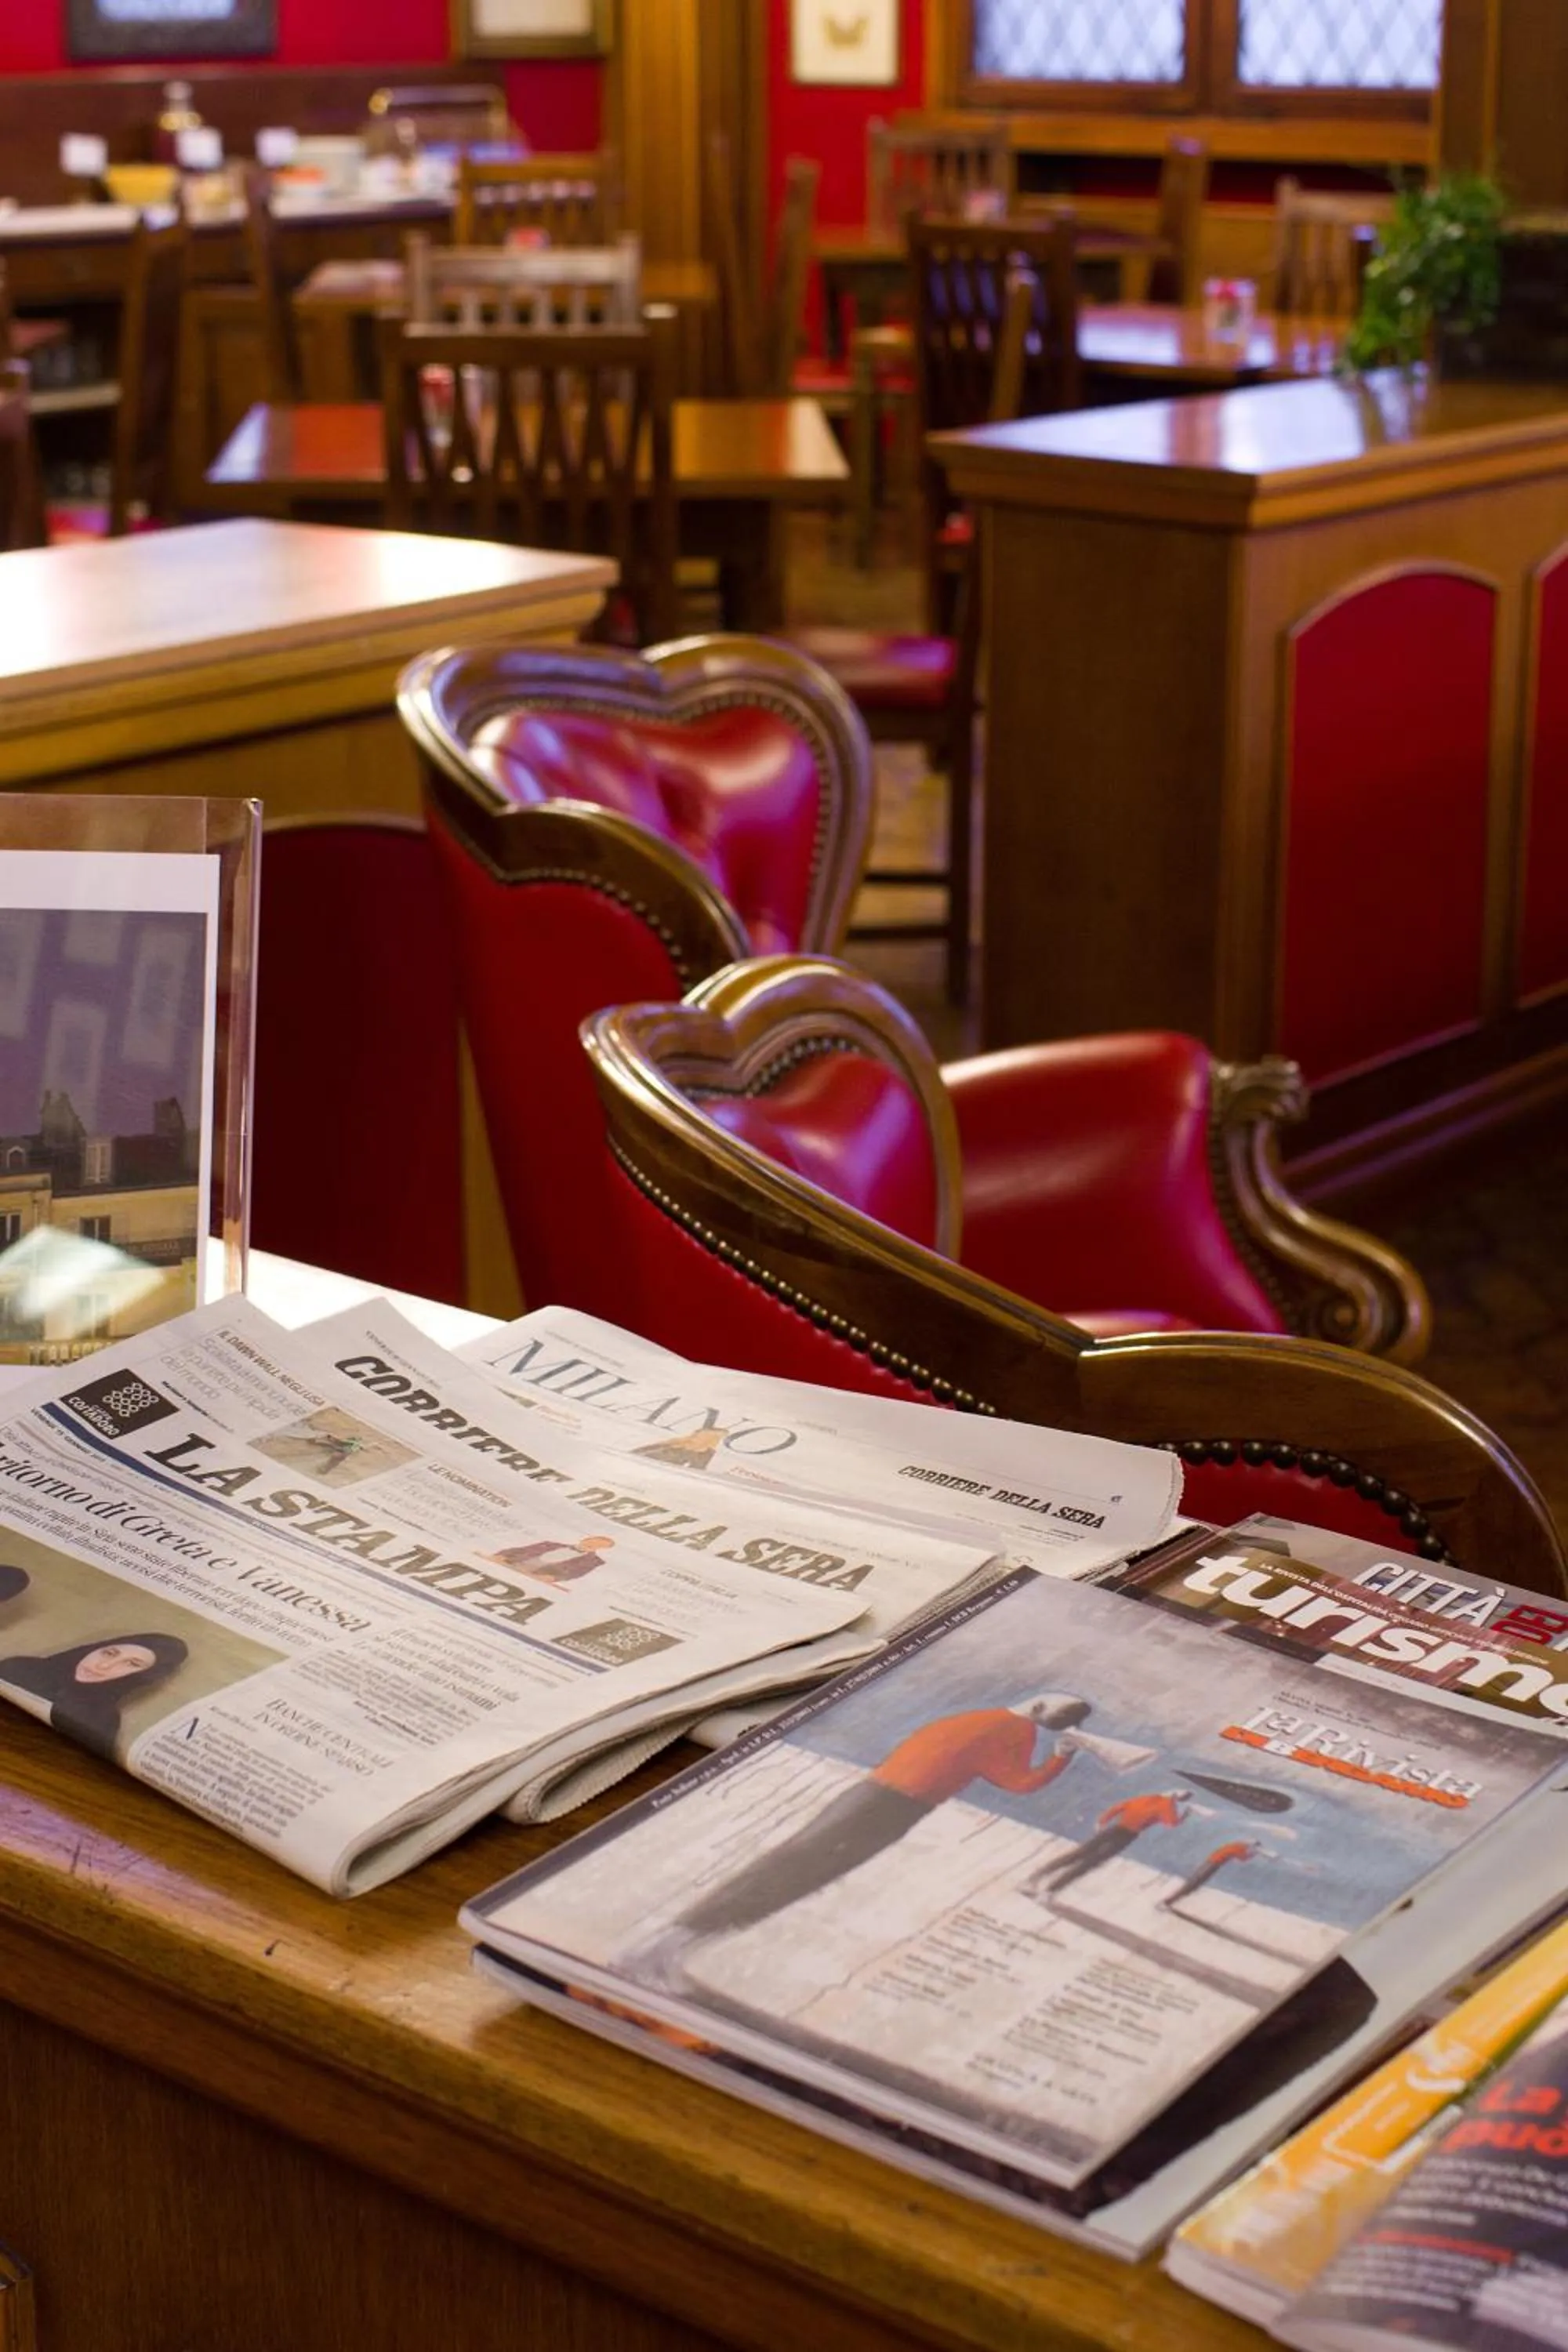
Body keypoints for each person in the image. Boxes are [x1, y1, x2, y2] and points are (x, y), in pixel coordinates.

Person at [628, 1692, 1093, 1984]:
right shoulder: (1014, 1732)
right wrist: (1061, 1757)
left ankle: (673, 1947)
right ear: (1046, 1716)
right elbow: (1020, 1784)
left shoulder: (980, 1716)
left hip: (870, 1794)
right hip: (893, 1807)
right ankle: (668, 1946)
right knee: (798, 1874)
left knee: (790, 1867)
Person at [0, 1632, 188, 1761]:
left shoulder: (102, 1718)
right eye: (109, 1653)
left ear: (140, 1676)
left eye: (132, 1664)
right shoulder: (22, 1666)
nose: (103, 1666)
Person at [1026, 1788, 1192, 1900]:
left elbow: (1119, 1807)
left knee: (1078, 1854)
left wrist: (1102, 1821)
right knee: (1090, 1862)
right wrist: (1184, 1816)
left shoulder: (1145, 1798)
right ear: (1178, 1799)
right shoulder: (1167, 1806)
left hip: (1114, 1829)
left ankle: (1036, 1877)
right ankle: (1051, 1890)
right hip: (1126, 1836)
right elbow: (1172, 1823)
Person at [1157, 1837, 1271, 1910]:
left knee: (1192, 1885)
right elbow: (1243, 1858)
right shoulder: (1239, 1848)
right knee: (1192, 1885)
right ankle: (1167, 1902)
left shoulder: (1236, 1845)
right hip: (1212, 1865)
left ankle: (1169, 1902)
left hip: (1210, 1863)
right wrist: (1255, 1854)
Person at [486, 1534, 616, 1585]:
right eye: (593, 1542)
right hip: (511, 1564)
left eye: (599, 1546)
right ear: (585, 1539)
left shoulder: (592, 1561)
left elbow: (576, 1573)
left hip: (536, 1575)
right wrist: (501, 1555)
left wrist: (553, 1578)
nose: (593, 1545)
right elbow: (519, 1550)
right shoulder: (550, 1544)